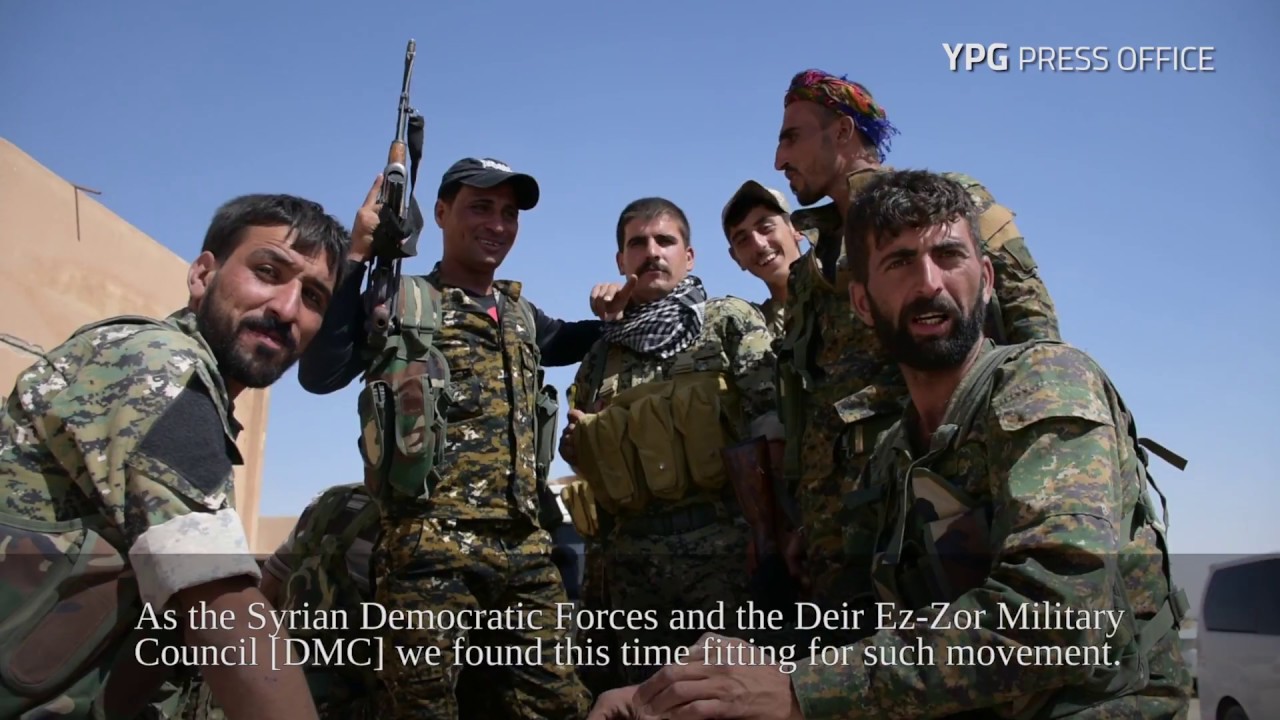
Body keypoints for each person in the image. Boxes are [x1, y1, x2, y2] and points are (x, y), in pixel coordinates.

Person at [588, 169, 1192, 720]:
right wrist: (664, 693)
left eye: (949, 255)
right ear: (862, 303)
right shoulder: (894, 454)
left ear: (986, 280)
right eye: (900, 263)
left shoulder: (1045, 384)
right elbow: (869, 628)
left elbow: (1056, 619)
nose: (929, 284)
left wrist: (799, 690)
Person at [0, 193, 351, 720]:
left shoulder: (199, 395)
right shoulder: (159, 364)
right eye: (267, 272)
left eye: (314, 298)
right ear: (202, 275)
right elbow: (219, 603)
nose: (286, 309)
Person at [295, 157, 595, 719]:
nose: (497, 224)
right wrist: (357, 255)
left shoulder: (521, 315)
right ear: (439, 213)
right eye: (480, 207)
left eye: (509, 213)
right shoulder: (401, 301)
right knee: (422, 708)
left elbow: (579, 339)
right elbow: (320, 372)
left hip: (525, 549)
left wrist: (629, 310)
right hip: (427, 551)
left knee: (556, 703)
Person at [771, 68, 1062, 606]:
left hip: (937, 513)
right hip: (841, 531)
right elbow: (817, 403)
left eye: (791, 137)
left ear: (842, 132)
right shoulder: (814, 264)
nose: (778, 159)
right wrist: (807, 519)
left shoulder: (951, 205)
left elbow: (1037, 344)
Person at [558, 197, 784, 694]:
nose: (652, 252)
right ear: (621, 260)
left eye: (665, 240)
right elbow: (582, 452)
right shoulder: (602, 353)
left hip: (728, 563)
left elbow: (773, 429)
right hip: (632, 574)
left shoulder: (728, 321)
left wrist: (775, 540)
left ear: (690, 255)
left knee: (730, 698)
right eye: (637, 243)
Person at [720, 180, 806, 339]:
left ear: (796, 227)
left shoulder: (844, 286)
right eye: (743, 240)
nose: (759, 245)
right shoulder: (750, 332)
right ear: (736, 258)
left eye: (766, 228)